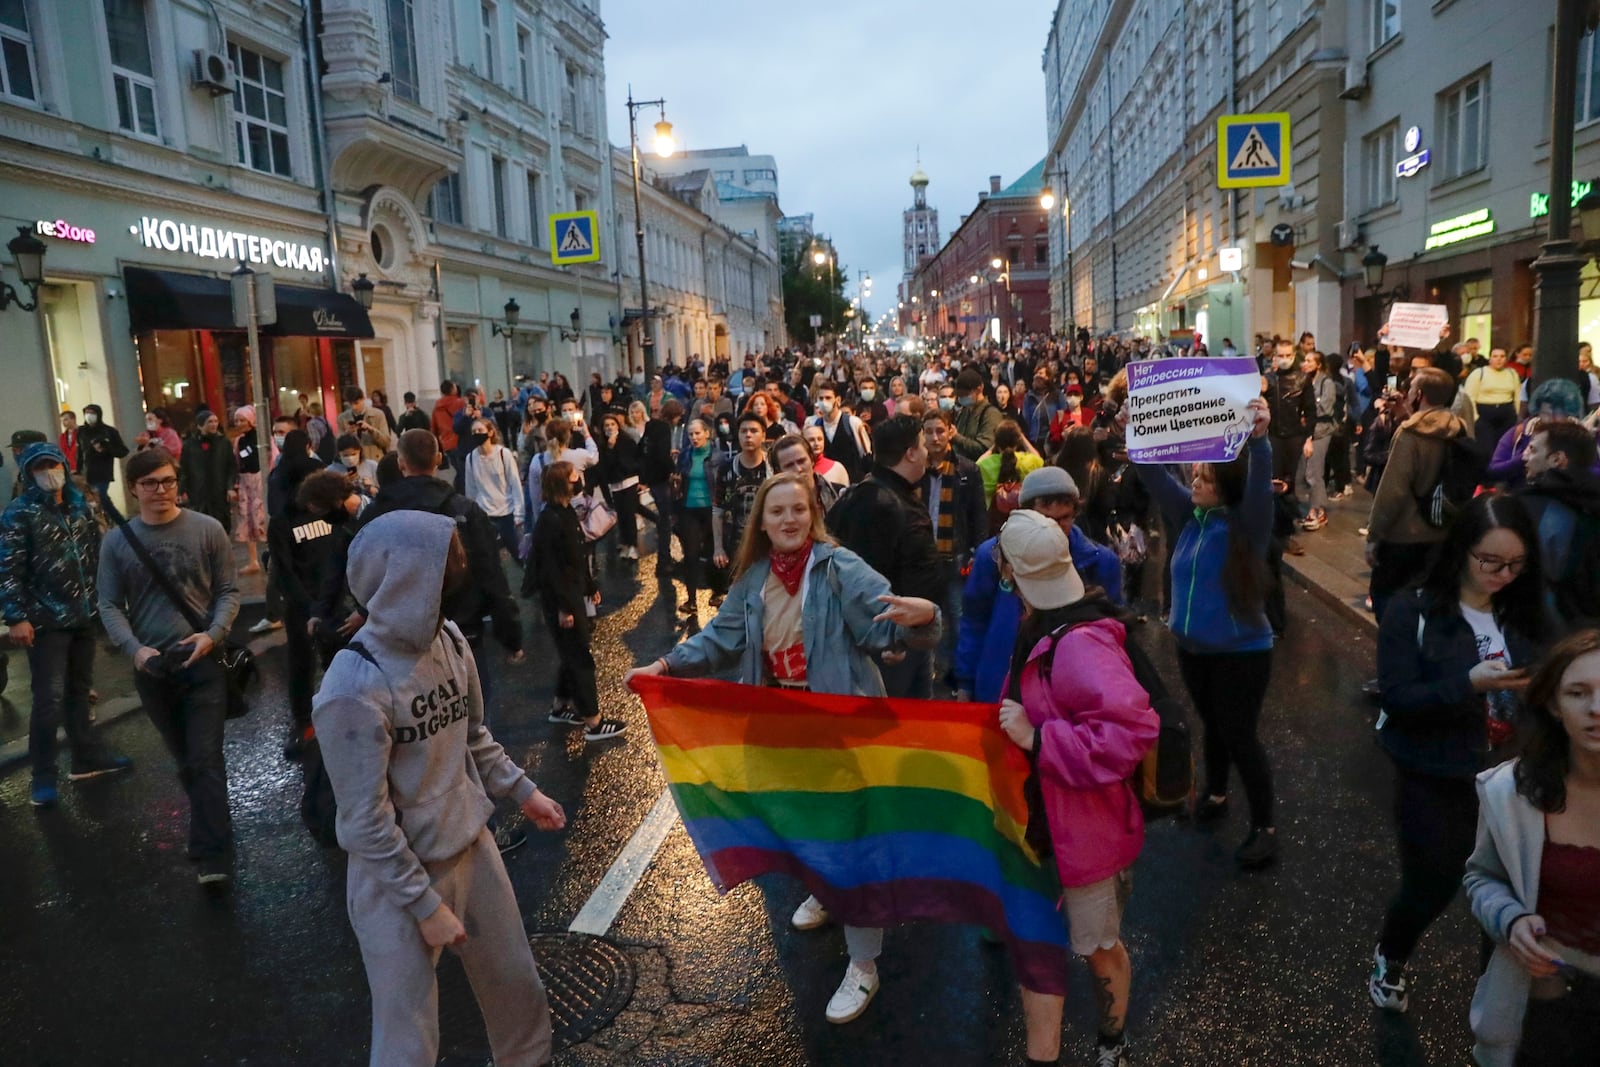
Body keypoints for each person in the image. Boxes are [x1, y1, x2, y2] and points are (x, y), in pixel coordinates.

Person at [624, 472, 940, 1025]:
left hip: (842, 736)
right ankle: (822, 891)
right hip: (783, 738)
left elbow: (890, 628)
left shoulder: (839, 568)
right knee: (804, 829)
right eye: (778, 512)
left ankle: (864, 963)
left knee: (850, 847)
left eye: (799, 509)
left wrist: (926, 621)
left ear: (813, 514)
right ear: (762, 523)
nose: (789, 519)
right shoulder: (753, 580)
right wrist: (667, 666)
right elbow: (721, 638)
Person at [313, 510, 565, 1067]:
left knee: (516, 988)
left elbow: (473, 736)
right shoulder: (351, 687)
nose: (461, 564)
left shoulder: (449, 638)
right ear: (406, 574)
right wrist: (424, 904)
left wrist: (523, 792)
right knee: (409, 1036)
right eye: (446, 557)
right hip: (395, 882)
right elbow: (365, 823)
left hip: (471, 845)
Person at [1367, 493, 1549, 1013]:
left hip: (1511, 773)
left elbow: (1551, 670)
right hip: (1433, 771)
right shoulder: (1412, 610)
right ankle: (1391, 954)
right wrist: (1466, 683)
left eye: (1515, 564)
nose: (1502, 573)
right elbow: (1399, 697)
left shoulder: (1523, 612)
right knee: (1434, 880)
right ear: (1461, 550)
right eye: (1489, 561)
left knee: (1513, 886)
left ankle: (1497, 988)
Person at [995, 509, 1158, 1067]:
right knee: (1044, 943)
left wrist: (1040, 740)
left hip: (1088, 836)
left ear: (1014, 575)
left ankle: (1113, 1041)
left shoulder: (1079, 643)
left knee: (1098, 947)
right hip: (1050, 826)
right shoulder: (1044, 620)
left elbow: (1131, 730)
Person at [1134, 397, 1279, 868]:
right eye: (1195, 474)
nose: (1194, 481)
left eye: (1205, 478)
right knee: (1213, 727)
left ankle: (1265, 826)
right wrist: (1138, 430)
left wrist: (1259, 443)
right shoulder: (1188, 518)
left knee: (1240, 735)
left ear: (1227, 488)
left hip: (1242, 653)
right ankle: (1216, 795)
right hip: (1193, 650)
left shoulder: (1248, 525)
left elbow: (1259, 489)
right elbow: (1153, 474)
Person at [97, 447, 241, 885]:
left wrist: (211, 634)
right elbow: (107, 603)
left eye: (168, 481)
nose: (161, 491)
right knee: (184, 760)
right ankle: (210, 826)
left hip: (203, 662)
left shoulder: (207, 529)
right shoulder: (117, 540)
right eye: (150, 484)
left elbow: (229, 592)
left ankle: (215, 852)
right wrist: (135, 650)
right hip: (153, 669)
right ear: (134, 489)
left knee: (204, 757)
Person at [1464, 629, 1600, 1066]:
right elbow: (1482, 876)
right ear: (1554, 705)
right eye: (1578, 693)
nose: (1597, 709)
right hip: (1545, 1006)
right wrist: (1512, 918)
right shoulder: (1512, 793)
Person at [0, 442, 132, 808]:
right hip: (45, 622)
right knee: (48, 701)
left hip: (83, 615)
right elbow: (8, 569)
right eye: (40, 467)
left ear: (64, 466)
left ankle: (86, 757)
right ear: (28, 473)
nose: (48, 473)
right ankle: (42, 776)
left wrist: (105, 601)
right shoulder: (18, 514)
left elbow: (97, 556)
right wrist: (16, 617)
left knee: (79, 691)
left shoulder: (78, 508)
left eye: (53, 465)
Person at [955, 467, 1124, 703]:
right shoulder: (992, 556)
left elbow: (1113, 631)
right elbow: (975, 620)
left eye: (1064, 518)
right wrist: (965, 682)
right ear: (1027, 515)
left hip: (1066, 693)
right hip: (998, 683)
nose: (1055, 527)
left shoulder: (1100, 562)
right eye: (1046, 519)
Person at [826, 415, 945, 699]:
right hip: (892, 646)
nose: (928, 452)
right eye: (922, 445)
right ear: (911, 453)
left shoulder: (887, 494)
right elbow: (866, 582)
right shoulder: (879, 504)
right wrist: (888, 641)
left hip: (913, 633)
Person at [526, 461, 625, 741]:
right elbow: (552, 570)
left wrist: (590, 585)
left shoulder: (564, 512)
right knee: (580, 658)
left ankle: (559, 706)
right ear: (562, 484)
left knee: (571, 652)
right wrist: (565, 608)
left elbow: (576, 556)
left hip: (571, 595)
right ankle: (593, 721)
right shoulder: (550, 520)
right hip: (562, 601)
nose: (579, 480)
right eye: (574, 477)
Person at [1365, 367, 1471, 626]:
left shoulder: (1409, 434)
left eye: (1412, 388)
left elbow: (1393, 491)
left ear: (1420, 394)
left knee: (1389, 603)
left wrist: (1374, 535)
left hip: (1404, 534)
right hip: (1443, 529)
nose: (1408, 392)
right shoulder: (1459, 427)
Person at [268, 465, 356, 759]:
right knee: (301, 666)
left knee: (340, 663)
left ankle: (344, 721)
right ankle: (305, 725)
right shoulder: (282, 523)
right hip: (302, 604)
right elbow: (284, 571)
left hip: (333, 600)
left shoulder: (335, 513)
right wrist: (307, 607)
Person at [919, 407, 988, 685]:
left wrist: (977, 552)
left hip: (955, 553)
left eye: (939, 430)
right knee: (928, 616)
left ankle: (960, 673)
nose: (934, 437)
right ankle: (931, 669)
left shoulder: (966, 470)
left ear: (950, 432)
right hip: (924, 556)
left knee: (958, 615)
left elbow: (977, 515)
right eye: (929, 431)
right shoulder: (916, 469)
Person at [711, 413, 776, 607]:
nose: (748, 435)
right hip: (736, 547)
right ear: (737, 435)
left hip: (770, 546)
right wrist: (718, 547)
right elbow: (717, 510)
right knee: (738, 600)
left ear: (763, 435)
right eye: (744, 431)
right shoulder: (726, 469)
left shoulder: (773, 467)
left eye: (754, 431)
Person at [1487, 379, 1587, 489]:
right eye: (1546, 413)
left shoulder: (1579, 435)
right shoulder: (1521, 432)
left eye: (1559, 414)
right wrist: (1523, 458)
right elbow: (1493, 471)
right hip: (1521, 499)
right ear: (1538, 411)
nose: (1552, 419)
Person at [674, 417, 720, 623]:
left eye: (698, 433)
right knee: (690, 554)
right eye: (691, 434)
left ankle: (718, 591)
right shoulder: (685, 455)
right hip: (689, 509)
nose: (694, 437)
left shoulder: (717, 456)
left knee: (713, 551)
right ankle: (691, 599)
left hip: (711, 509)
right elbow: (678, 477)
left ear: (707, 434)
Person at [464, 417, 524, 562]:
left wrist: (519, 514)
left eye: (480, 430)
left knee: (518, 554)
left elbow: (515, 484)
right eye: (474, 431)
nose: (477, 434)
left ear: (490, 432)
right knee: (489, 558)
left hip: (507, 513)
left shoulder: (504, 454)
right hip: (485, 514)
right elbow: (471, 489)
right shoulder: (471, 458)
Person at [1264, 338, 1314, 510]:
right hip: (1273, 436)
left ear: (1293, 355)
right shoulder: (1268, 380)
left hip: (1294, 436)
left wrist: (1308, 437)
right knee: (1274, 478)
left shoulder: (1303, 379)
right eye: (1281, 355)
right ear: (1275, 357)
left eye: (1288, 355)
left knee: (1291, 479)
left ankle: (1288, 517)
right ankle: (1276, 516)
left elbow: (1311, 410)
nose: (1284, 358)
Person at [640, 399, 684, 577]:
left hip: (650, 476)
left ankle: (664, 559)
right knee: (666, 520)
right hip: (660, 478)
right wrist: (673, 470)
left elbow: (645, 449)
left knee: (665, 519)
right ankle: (663, 561)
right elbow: (661, 454)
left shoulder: (651, 426)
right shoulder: (664, 429)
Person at [978, 420, 1044, 533]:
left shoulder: (986, 464)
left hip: (994, 524)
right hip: (1024, 522)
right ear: (1018, 441)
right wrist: (1022, 437)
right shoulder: (1029, 461)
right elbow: (1039, 459)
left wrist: (994, 446)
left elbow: (977, 463)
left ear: (997, 443)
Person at [179, 410, 237, 534]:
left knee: (221, 523)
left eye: (216, 421)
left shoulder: (223, 442)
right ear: (200, 425)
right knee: (201, 524)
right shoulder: (190, 444)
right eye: (209, 422)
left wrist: (230, 487)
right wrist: (180, 490)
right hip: (198, 492)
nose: (213, 424)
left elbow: (231, 466)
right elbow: (184, 469)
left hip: (219, 490)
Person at [1298, 350, 1338, 532]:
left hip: (1321, 431)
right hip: (1306, 430)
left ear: (1319, 364)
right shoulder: (1303, 381)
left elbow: (1325, 407)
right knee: (1306, 472)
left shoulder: (1327, 383)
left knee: (1314, 471)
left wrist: (1307, 413)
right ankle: (1313, 507)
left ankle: (1318, 511)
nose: (1305, 363)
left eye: (1309, 360)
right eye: (1304, 360)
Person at [1464, 348, 1523, 454]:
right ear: (1490, 358)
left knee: (1504, 448)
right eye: (1495, 356)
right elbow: (1469, 397)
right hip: (1484, 415)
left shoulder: (1512, 373)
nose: (1499, 359)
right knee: (1486, 448)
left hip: (1507, 414)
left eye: (1502, 356)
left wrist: (1518, 415)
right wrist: (1475, 417)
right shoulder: (1479, 373)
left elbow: (1518, 396)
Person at [810, 382, 872, 483]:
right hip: (827, 484)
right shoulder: (815, 425)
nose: (824, 402)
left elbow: (866, 455)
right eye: (821, 398)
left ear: (837, 400)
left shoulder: (853, 423)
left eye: (828, 398)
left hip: (853, 482)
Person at [232, 407, 267, 575]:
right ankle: (253, 560)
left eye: (242, 420)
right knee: (247, 518)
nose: (239, 424)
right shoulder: (239, 440)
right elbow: (237, 461)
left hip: (260, 479)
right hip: (245, 481)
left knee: (262, 516)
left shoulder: (261, 438)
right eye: (237, 420)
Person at [75, 403, 129, 508]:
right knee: (95, 502)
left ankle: (120, 523)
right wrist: (78, 471)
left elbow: (123, 451)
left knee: (101, 498)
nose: (89, 415)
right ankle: (113, 522)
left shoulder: (109, 431)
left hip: (103, 472)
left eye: (92, 413)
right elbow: (80, 452)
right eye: (87, 413)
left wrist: (106, 448)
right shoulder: (81, 431)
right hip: (87, 473)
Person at [773, 433, 841, 514]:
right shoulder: (774, 505)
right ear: (779, 471)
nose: (798, 469)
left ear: (812, 460)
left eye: (801, 461)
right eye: (789, 465)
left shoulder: (839, 494)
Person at [952, 369, 1003, 460]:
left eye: (965, 394)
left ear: (979, 389)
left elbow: (985, 449)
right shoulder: (965, 411)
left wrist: (957, 438)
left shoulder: (990, 414)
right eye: (960, 395)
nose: (961, 398)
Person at [802, 422, 851, 489]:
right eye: (811, 440)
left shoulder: (837, 468)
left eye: (820, 439)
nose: (816, 443)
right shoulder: (799, 470)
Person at [431, 380, 465, 459]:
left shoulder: (437, 408)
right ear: (453, 389)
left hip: (446, 443)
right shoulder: (460, 403)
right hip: (461, 441)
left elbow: (433, 429)